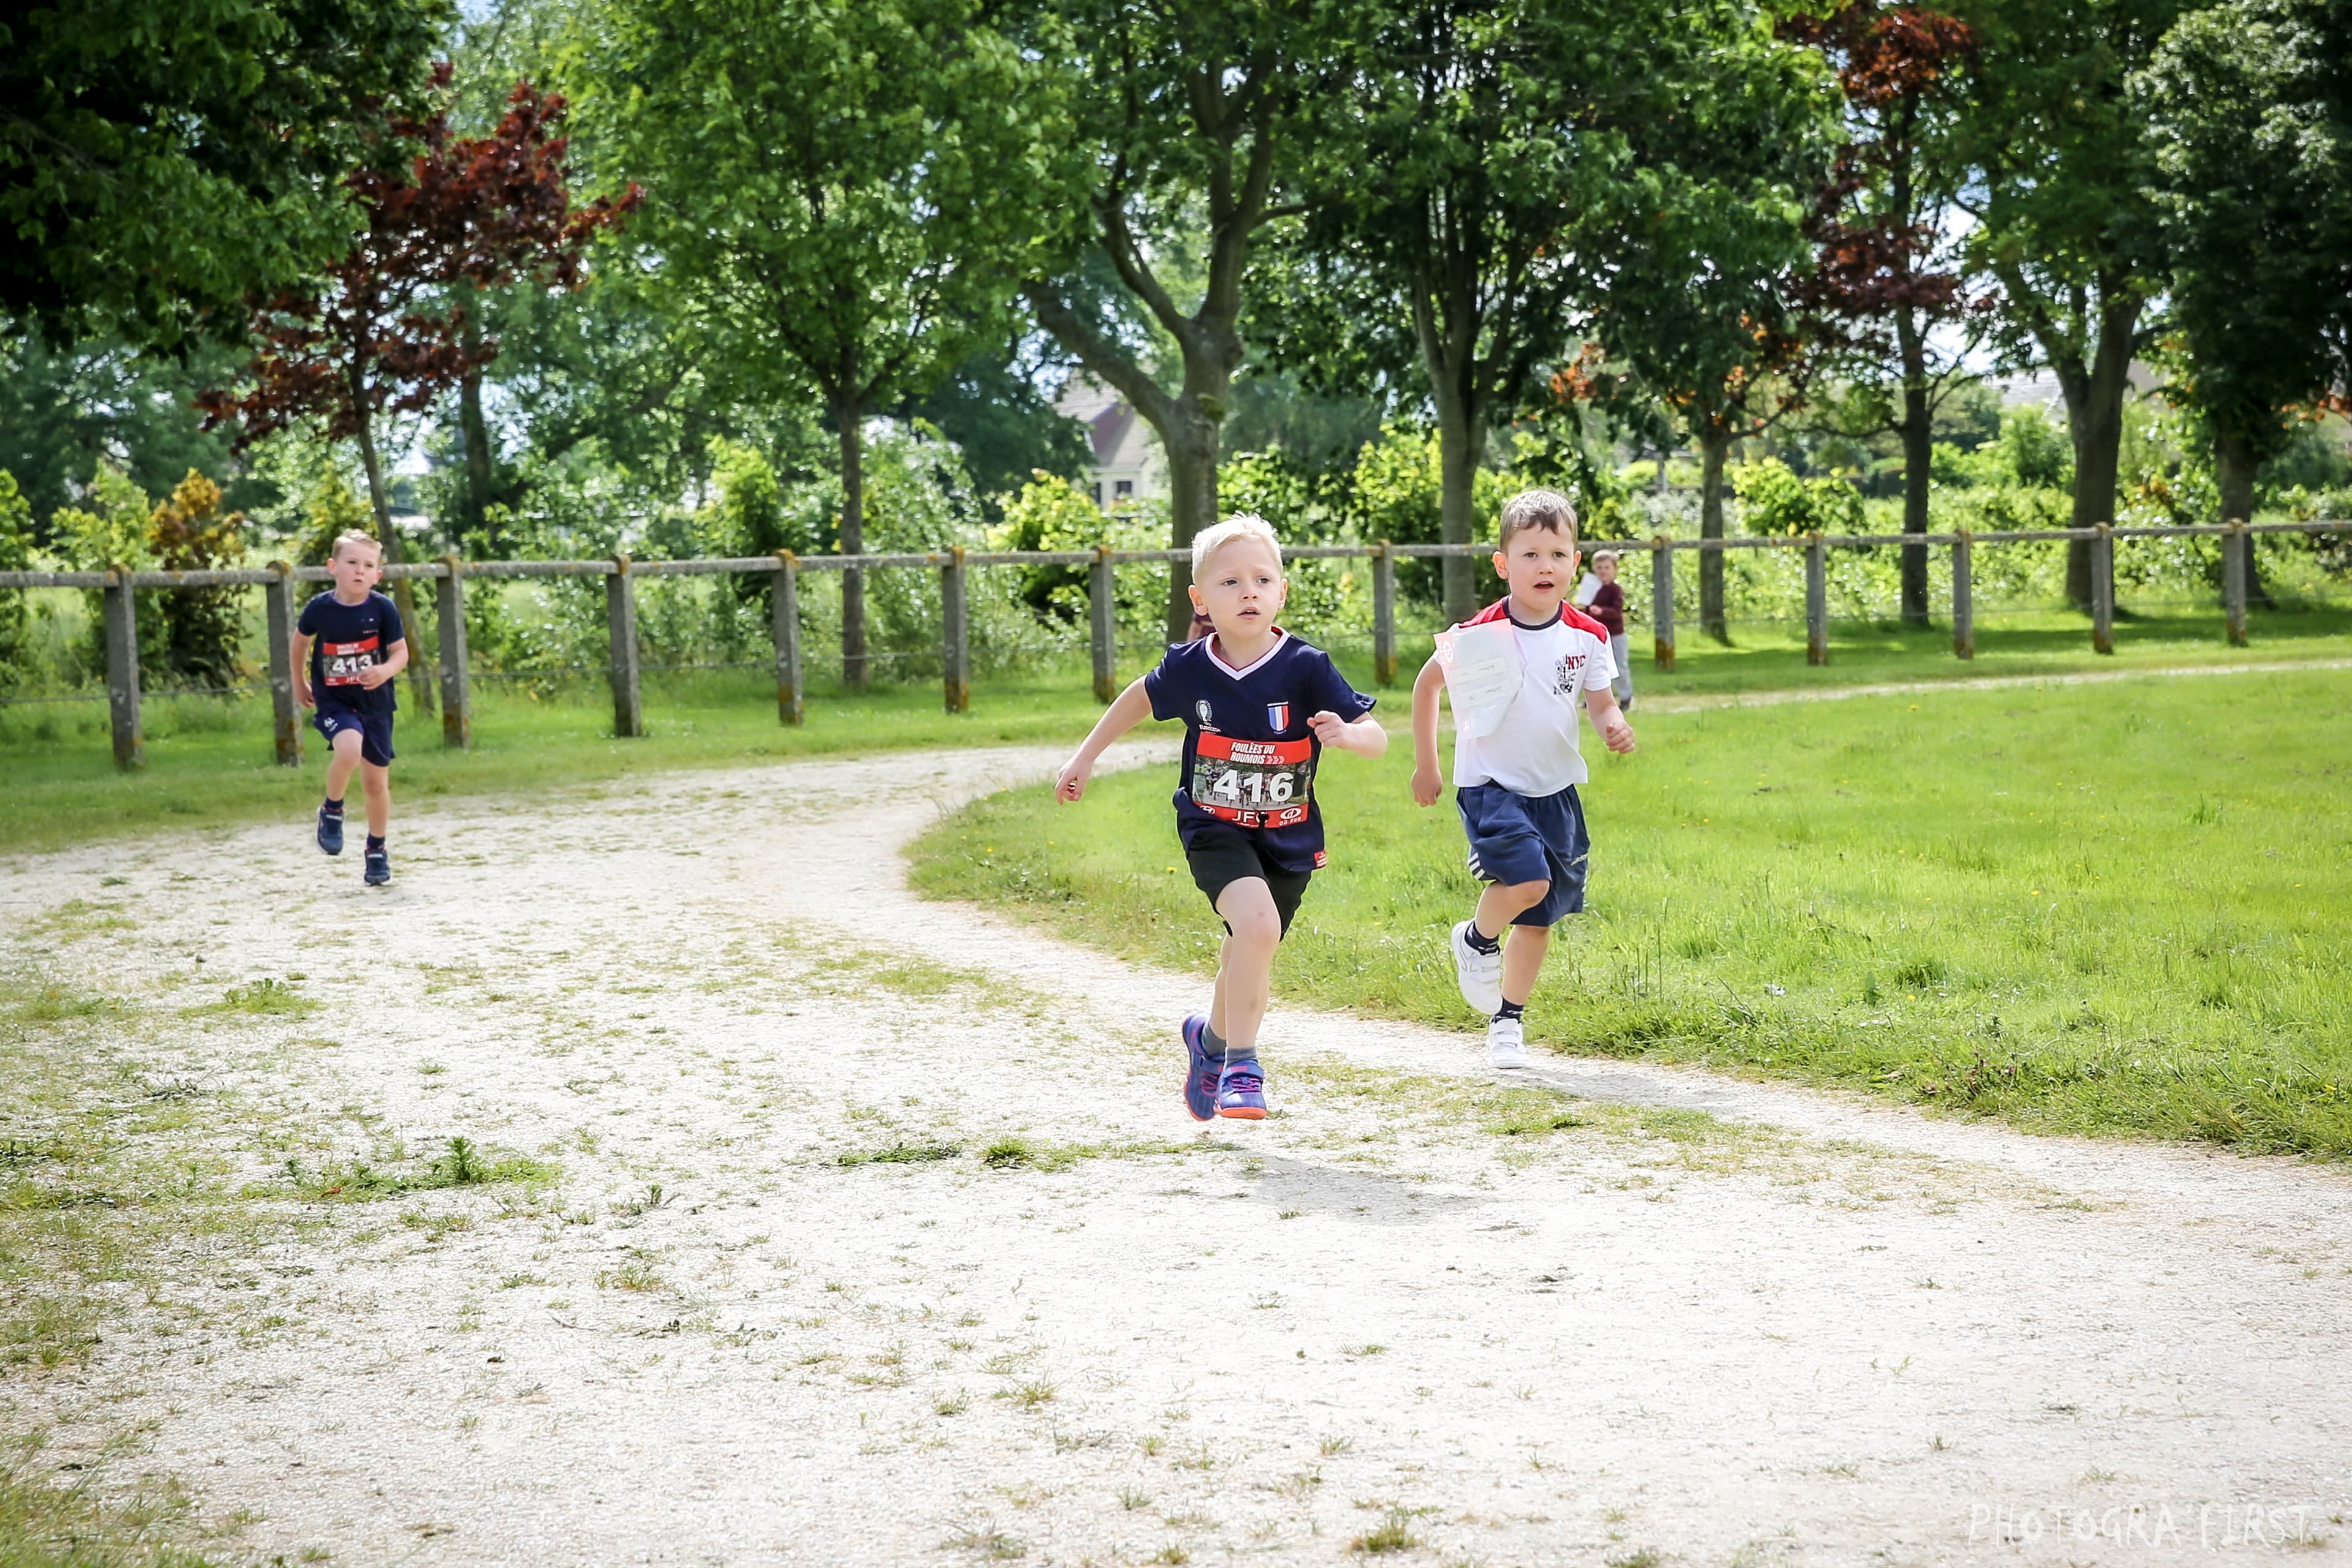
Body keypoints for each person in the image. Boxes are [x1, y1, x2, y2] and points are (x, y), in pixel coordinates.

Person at [1055, 514, 1387, 1120]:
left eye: (1262, 579)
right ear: (1200, 598)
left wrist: (1347, 735)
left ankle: (1206, 1042)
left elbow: (1378, 737)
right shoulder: (1191, 667)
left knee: (1248, 946)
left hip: (1288, 837)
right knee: (1256, 929)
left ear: (1282, 591)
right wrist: (1085, 756)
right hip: (1214, 828)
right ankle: (1243, 1066)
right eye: (1230, 582)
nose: (1249, 592)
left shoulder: (1307, 666)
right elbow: (1137, 697)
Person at [1410, 489, 1636, 1067]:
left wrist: (1614, 725)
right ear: (1503, 564)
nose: (1545, 566)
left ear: (1575, 563)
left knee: (1539, 919)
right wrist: (1429, 765)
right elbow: (1426, 687)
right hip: (1491, 785)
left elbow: (1602, 703)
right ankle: (1477, 939)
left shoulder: (1588, 636)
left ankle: (1507, 1022)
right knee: (1528, 883)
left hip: (1555, 791)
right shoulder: (1479, 634)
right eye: (1530, 554)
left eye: (1558, 554)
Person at [292, 531, 410, 886]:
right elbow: (300, 644)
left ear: (378, 575)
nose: (360, 571)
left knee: (376, 783)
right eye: (352, 563)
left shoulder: (383, 609)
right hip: (335, 700)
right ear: (333, 567)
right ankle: (332, 809)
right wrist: (299, 682)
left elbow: (401, 653)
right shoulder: (320, 608)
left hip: (375, 703)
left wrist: (385, 670)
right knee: (349, 748)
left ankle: (376, 849)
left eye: (368, 565)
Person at [1577, 549, 1635, 711]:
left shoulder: (1615, 590)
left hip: (1615, 635)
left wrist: (1602, 611)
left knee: (1619, 666)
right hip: (1596, 636)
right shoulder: (1591, 589)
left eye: (1607, 567)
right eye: (1600, 567)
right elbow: (1587, 610)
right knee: (1593, 667)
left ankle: (1625, 697)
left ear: (1614, 569)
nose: (1603, 571)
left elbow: (1617, 612)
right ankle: (1593, 698)